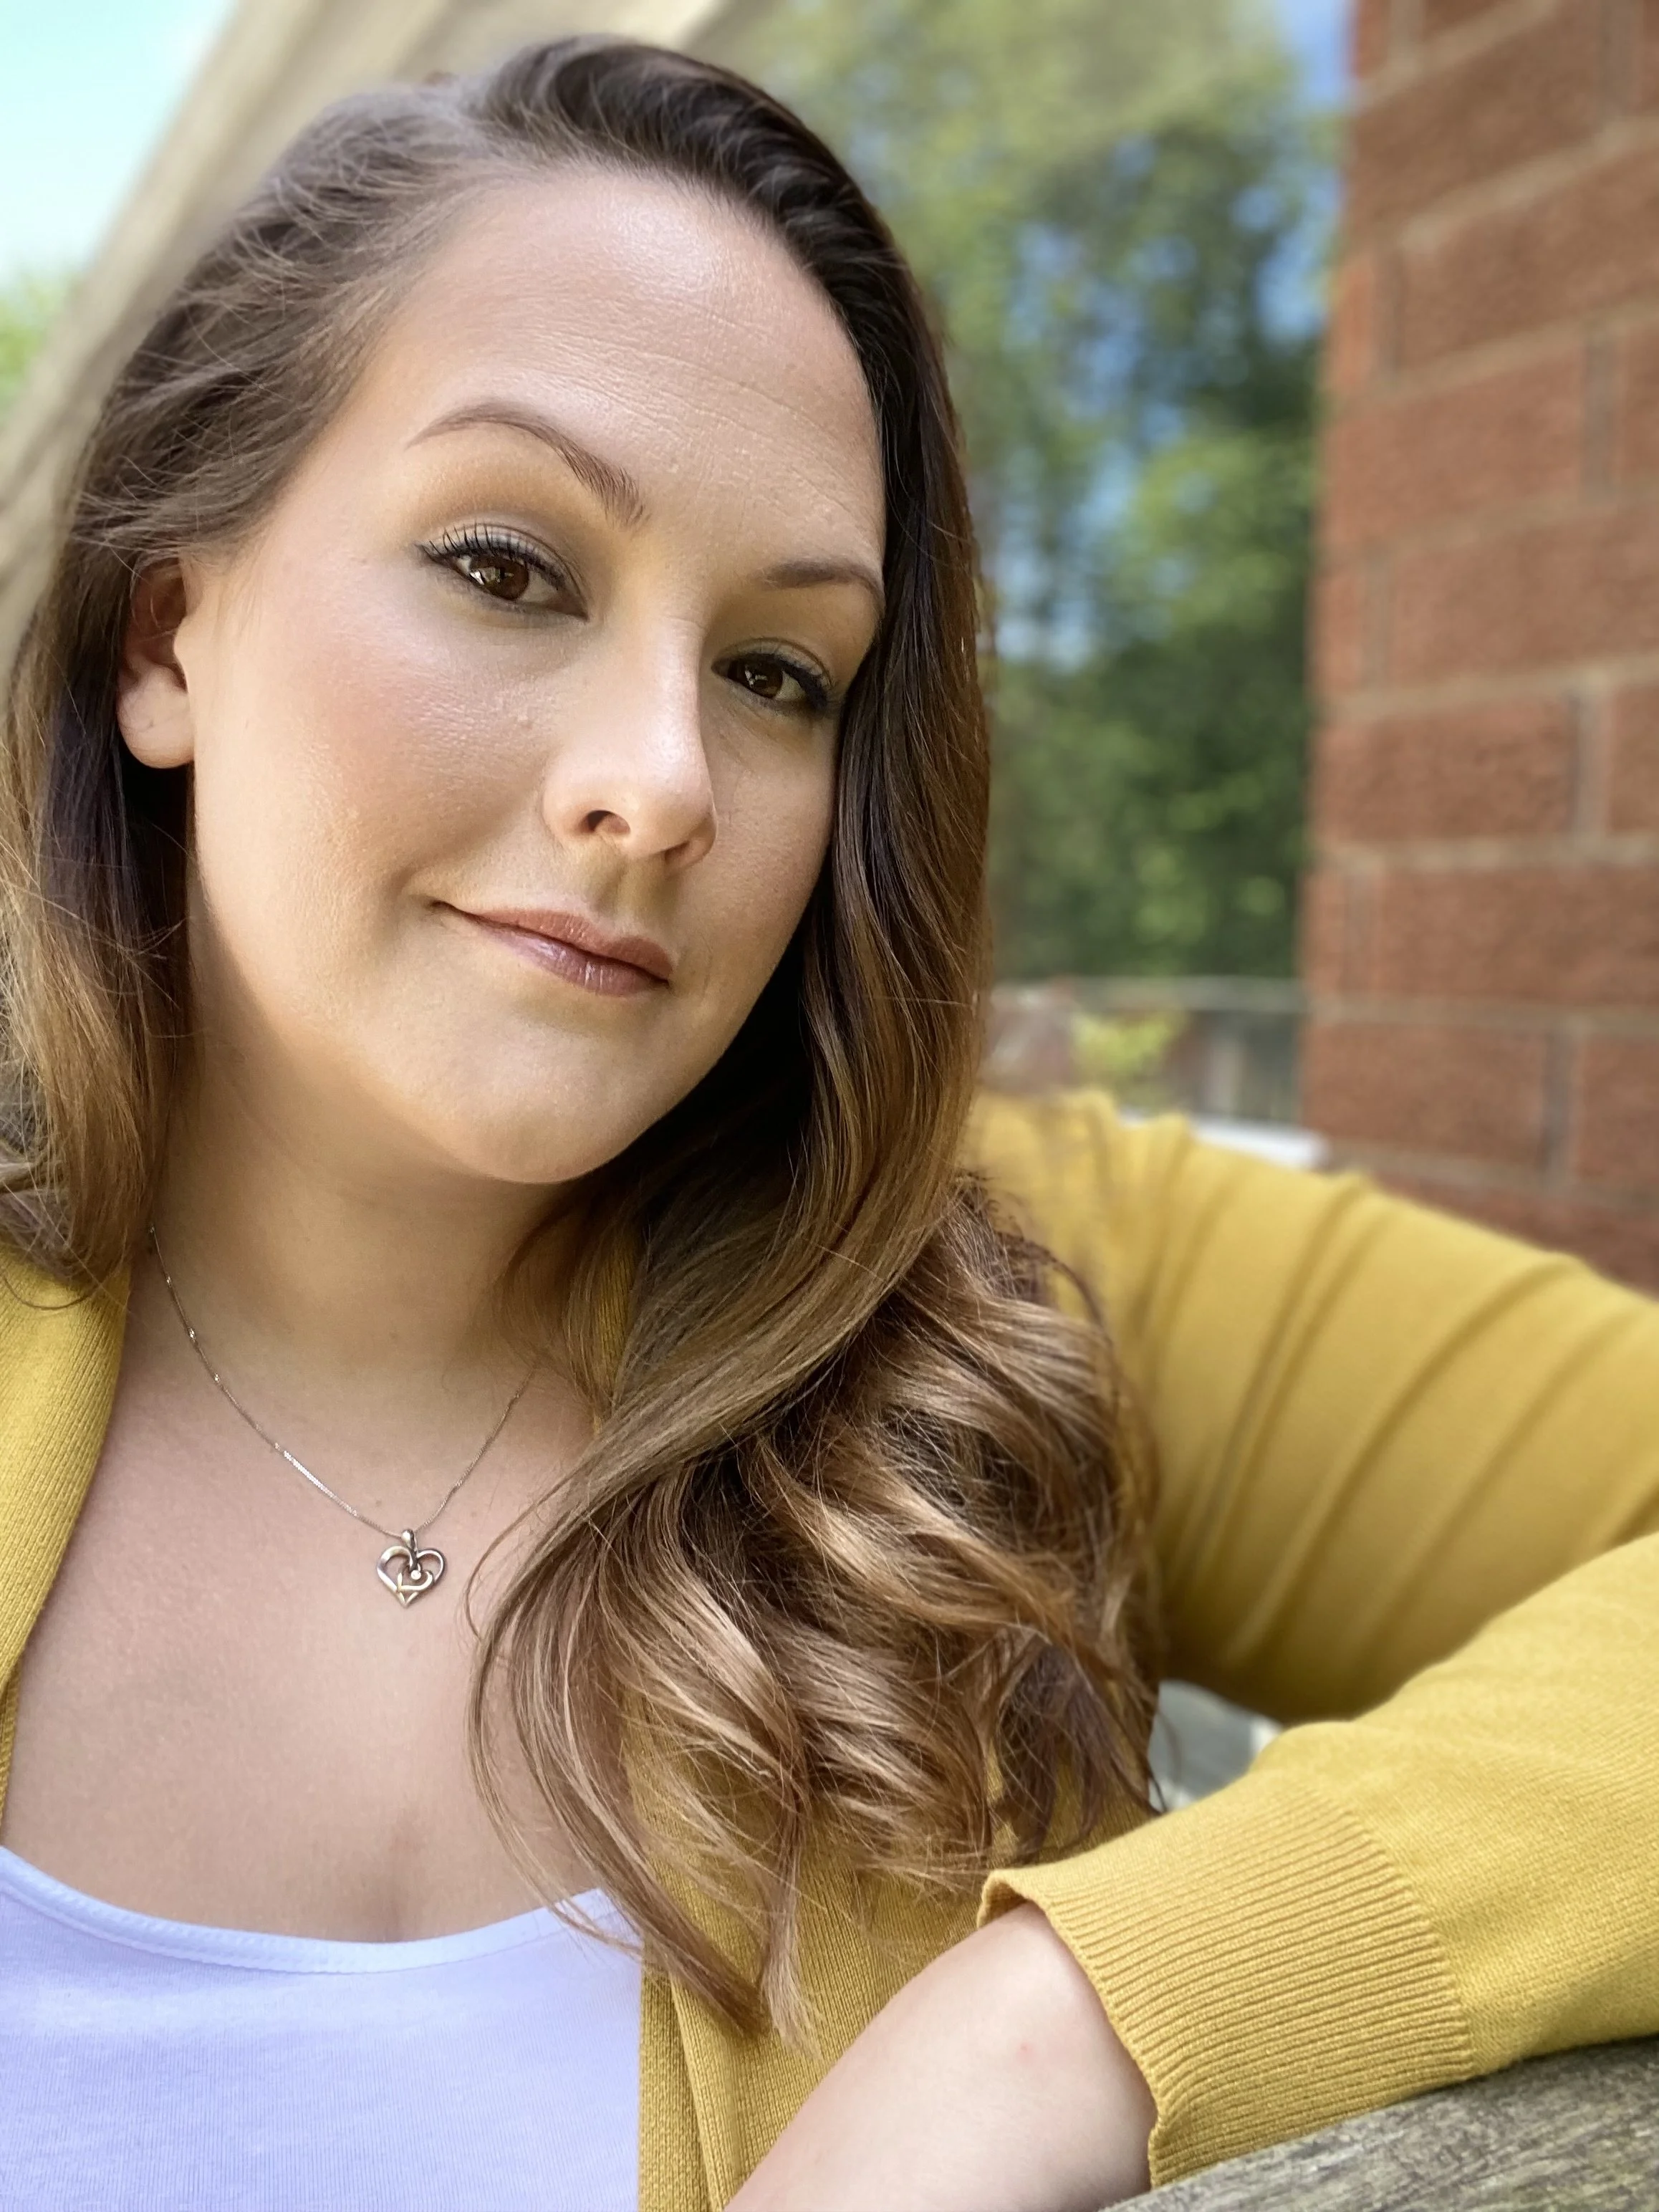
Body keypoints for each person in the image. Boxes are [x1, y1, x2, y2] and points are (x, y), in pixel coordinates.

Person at [0, 37, 1655, 2212]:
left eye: (782, 673)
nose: (665, 778)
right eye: (509, 567)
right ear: (167, 632)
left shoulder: (1026, 1278)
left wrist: (1067, 2016)